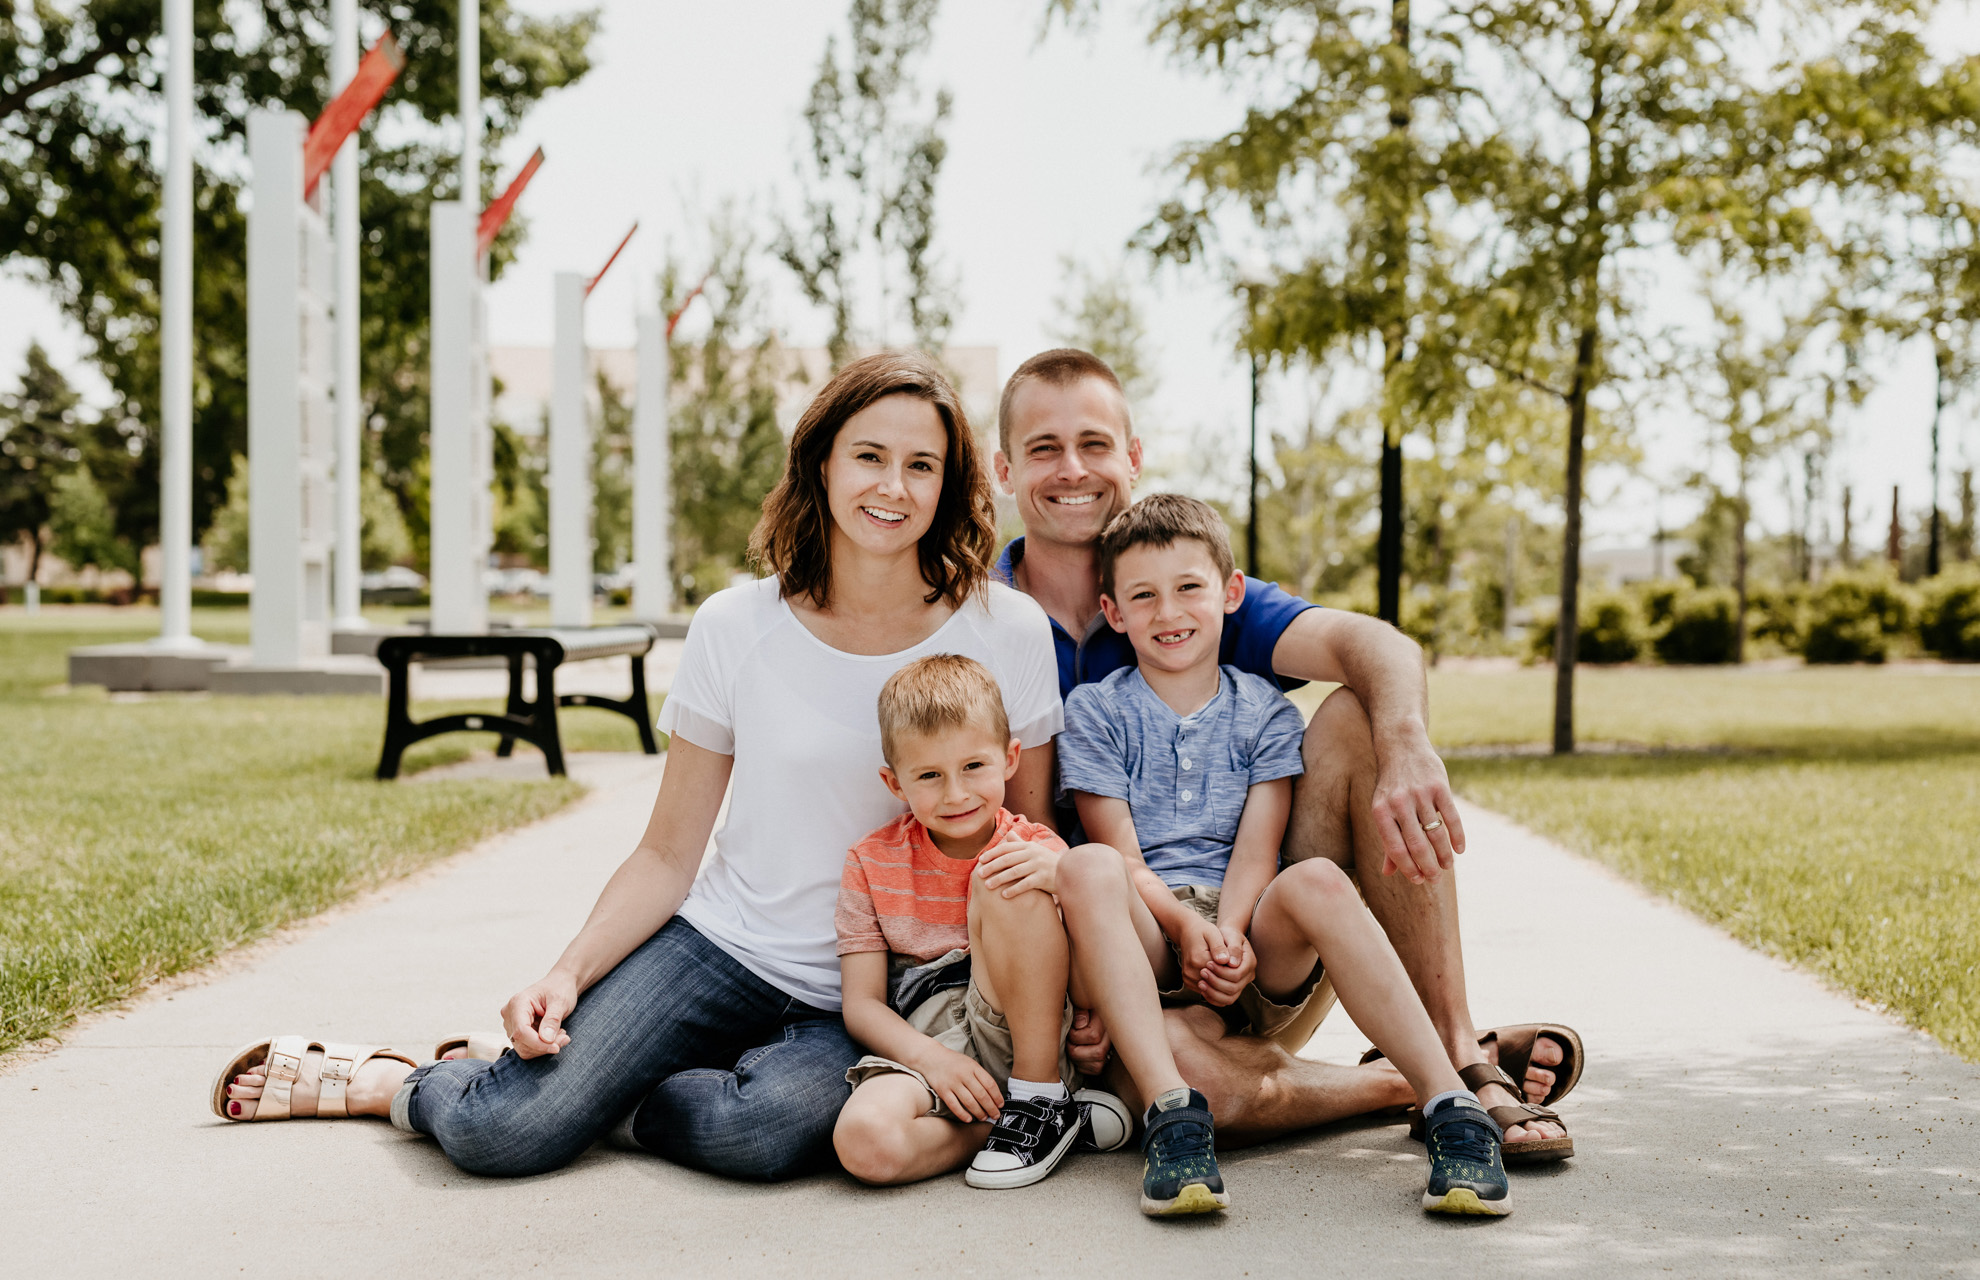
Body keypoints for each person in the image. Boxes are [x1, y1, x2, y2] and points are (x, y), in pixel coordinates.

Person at [210, 352, 1067, 1182]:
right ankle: (399, 1081)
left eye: (923, 464)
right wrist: (565, 972)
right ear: (821, 463)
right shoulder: (736, 626)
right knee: (504, 1132)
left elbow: (1030, 843)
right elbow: (667, 852)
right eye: (869, 456)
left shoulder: (1007, 629)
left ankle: (610, 1100)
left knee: (765, 1133)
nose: (894, 486)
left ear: (952, 482)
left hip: (884, 992)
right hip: (724, 946)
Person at [993, 349, 1580, 1164]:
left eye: (1094, 443)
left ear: (1132, 457)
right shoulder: (980, 614)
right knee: (1195, 1082)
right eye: (1044, 448)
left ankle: (1457, 1045)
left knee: (1357, 714)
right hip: (1122, 959)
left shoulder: (1188, 582)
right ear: (1004, 468)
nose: (1072, 469)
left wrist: (1407, 742)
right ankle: (1414, 1077)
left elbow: (1371, 643)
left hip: (1262, 942)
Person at [1060, 495, 1512, 1215]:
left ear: (1230, 594)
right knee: (1086, 866)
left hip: (1249, 935)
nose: (1167, 611)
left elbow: (1256, 848)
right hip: (1147, 936)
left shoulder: (1265, 711)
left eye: (1189, 589)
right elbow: (1122, 855)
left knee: (1317, 881)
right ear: (1114, 612)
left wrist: (1232, 931)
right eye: (1142, 596)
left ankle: (1451, 1101)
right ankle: (1173, 1115)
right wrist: (1185, 930)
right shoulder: (1094, 711)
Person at [832, 654, 1229, 1215]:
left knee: (1006, 876)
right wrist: (933, 1062)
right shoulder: (869, 861)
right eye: (928, 775)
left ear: (1010, 758)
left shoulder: (1038, 848)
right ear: (894, 781)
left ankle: (1040, 1099)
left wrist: (1061, 888)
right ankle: (1035, 1124)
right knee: (863, 1142)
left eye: (974, 766)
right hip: (933, 1042)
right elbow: (862, 1004)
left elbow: (1092, 960)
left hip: (1030, 1033)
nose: (955, 794)